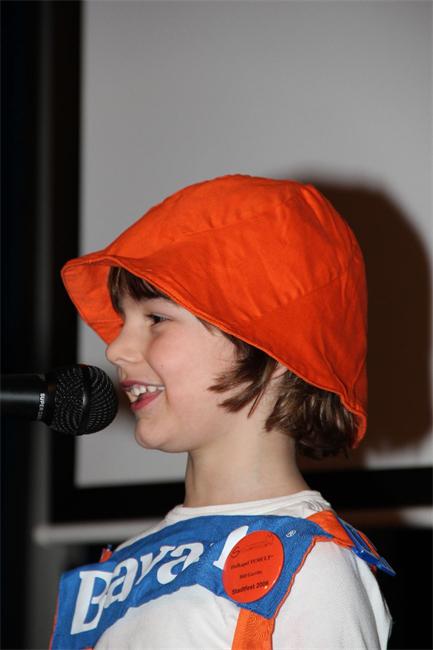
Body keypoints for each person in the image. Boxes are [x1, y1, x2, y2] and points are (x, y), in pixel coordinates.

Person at [51, 174, 394, 649]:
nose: (116, 349)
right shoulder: (127, 565)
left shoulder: (310, 568)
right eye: (124, 319)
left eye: (156, 318)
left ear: (274, 349)